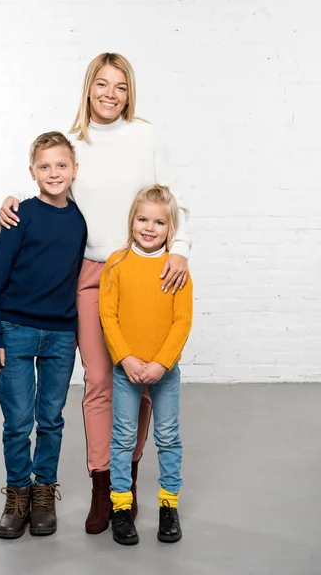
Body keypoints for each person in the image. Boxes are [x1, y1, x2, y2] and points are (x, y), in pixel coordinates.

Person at [0, 52, 191, 534]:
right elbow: (51, 189)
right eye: (101, 84)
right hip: (88, 273)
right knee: (102, 379)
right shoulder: (75, 141)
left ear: (130, 92)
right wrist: (11, 202)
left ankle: (126, 479)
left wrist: (180, 248)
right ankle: (103, 484)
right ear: (88, 88)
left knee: (143, 384)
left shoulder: (146, 136)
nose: (110, 94)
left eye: (120, 86)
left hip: (141, 269)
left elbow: (175, 198)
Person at [0, 132, 87, 539]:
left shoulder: (80, 220)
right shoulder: (19, 215)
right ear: (32, 172)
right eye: (45, 166)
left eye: (62, 165)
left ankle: (43, 492)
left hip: (61, 334)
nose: (54, 173)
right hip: (16, 330)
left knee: (51, 419)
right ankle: (18, 493)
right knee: (18, 421)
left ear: (75, 170)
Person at [99, 185, 193, 546]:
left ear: (171, 228)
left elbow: (181, 322)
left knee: (168, 437)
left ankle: (169, 505)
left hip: (164, 372)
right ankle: (121, 506)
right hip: (127, 370)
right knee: (123, 438)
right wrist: (125, 358)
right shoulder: (117, 263)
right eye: (142, 219)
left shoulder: (176, 268)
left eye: (158, 222)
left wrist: (161, 364)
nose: (149, 227)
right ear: (131, 220)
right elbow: (108, 315)